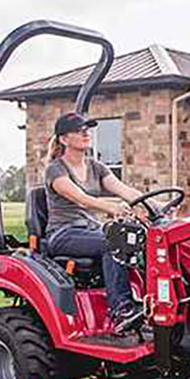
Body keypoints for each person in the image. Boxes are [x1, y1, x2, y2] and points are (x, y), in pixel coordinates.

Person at [44, 112, 145, 334]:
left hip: (91, 230)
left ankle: (152, 302)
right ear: (63, 139)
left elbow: (124, 190)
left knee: (142, 237)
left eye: (87, 129)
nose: (85, 133)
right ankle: (121, 310)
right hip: (63, 233)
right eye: (79, 130)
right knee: (114, 242)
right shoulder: (56, 169)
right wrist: (111, 207)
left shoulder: (96, 166)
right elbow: (80, 198)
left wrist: (154, 205)